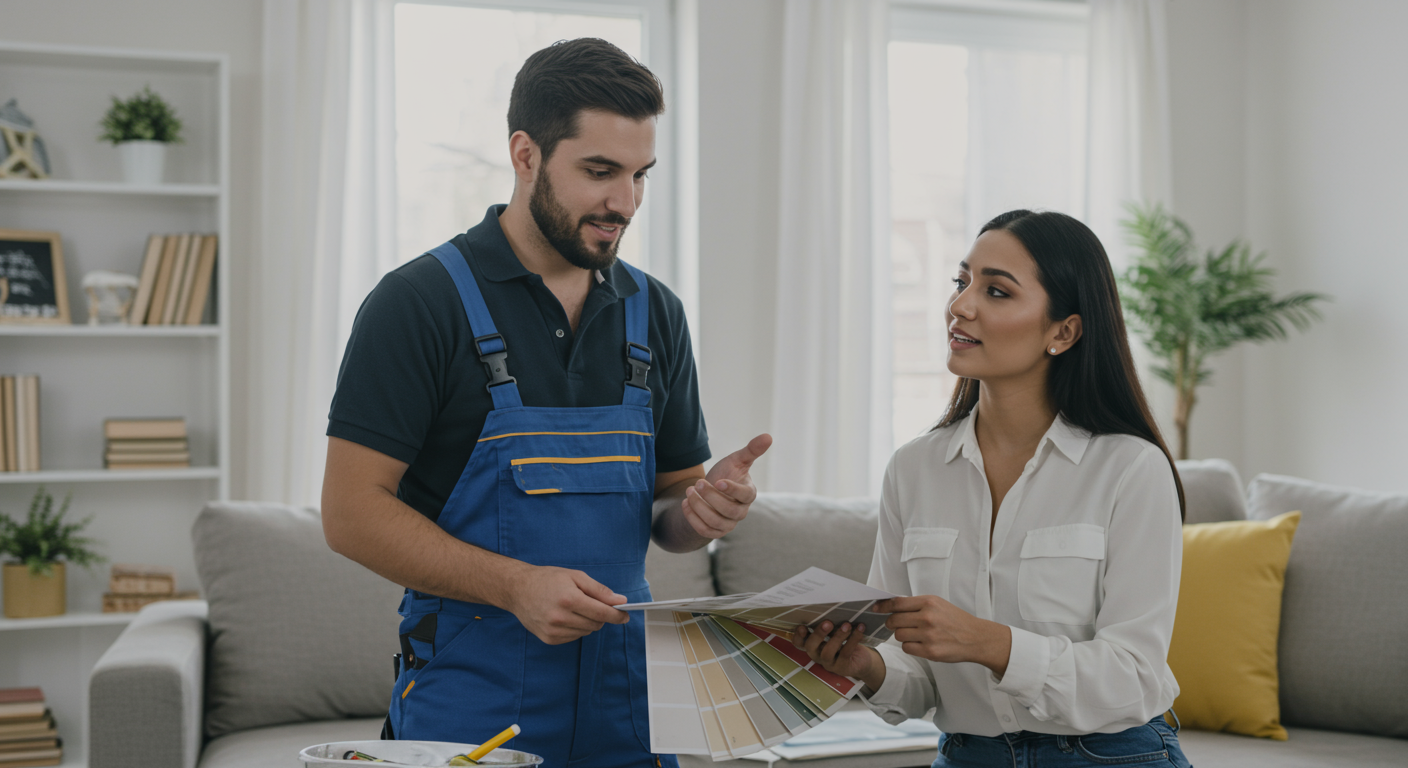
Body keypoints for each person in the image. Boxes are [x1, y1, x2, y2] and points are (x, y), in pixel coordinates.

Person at [321, 38, 770, 767]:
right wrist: (515, 586)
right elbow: (349, 515)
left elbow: (670, 508)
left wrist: (699, 511)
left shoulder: (655, 311)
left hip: (630, 707)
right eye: (599, 172)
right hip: (470, 705)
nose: (623, 202)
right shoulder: (416, 303)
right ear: (525, 154)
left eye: (639, 175)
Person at [793, 210, 1191, 767]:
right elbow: (921, 679)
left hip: (1111, 756)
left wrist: (991, 643)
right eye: (962, 282)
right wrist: (866, 667)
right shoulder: (914, 469)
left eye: (997, 291)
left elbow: (1133, 674)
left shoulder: (1130, 469)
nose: (960, 305)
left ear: (1063, 331)